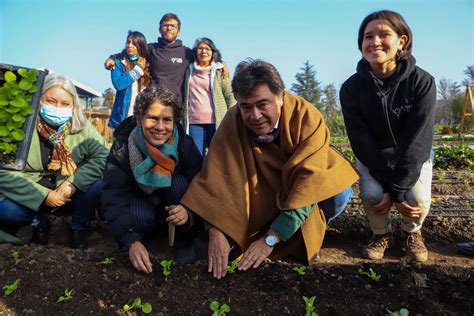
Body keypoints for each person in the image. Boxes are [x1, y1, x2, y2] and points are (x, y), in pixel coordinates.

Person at [180, 60, 358, 279]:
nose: (255, 116)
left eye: (262, 104)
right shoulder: (232, 122)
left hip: (298, 190)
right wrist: (216, 232)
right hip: (261, 196)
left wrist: (269, 240)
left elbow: (308, 186)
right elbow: (215, 179)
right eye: (246, 107)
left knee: (337, 191)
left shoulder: (306, 117)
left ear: (280, 97)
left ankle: (310, 228)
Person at [340, 10, 436, 263]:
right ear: (361, 44)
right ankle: (381, 234)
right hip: (375, 155)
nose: (375, 42)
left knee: (417, 199)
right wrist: (387, 187)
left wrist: (399, 190)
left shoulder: (421, 82)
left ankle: (411, 233)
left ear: (402, 41)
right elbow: (361, 140)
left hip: (412, 154)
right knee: (372, 194)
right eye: (367, 36)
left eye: (384, 35)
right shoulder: (351, 89)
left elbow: (418, 140)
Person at [101, 85, 203, 274]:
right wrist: (130, 240)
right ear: (139, 119)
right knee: (138, 217)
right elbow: (113, 195)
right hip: (142, 203)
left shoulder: (183, 144)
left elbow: (201, 182)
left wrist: (189, 210)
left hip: (173, 203)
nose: (160, 127)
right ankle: (146, 241)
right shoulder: (123, 146)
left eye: (167, 120)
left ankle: (183, 240)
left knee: (180, 184)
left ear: (174, 121)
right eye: (152, 119)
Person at [0, 73, 108, 249]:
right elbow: (3, 171)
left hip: (66, 191)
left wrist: (73, 184)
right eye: (50, 101)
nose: (58, 108)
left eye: (65, 104)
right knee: (6, 210)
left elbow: (104, 156)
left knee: (97, 185)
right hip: (30, 189)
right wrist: (44, 196)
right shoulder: (21, 125)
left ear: (73, 105)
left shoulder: (81, 127)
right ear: (39, 99)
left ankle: (77, 226)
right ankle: (39, 222)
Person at [105, 13, 193, 105]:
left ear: (179, 31)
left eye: (173, 26)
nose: (169, 28)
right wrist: (111, 58)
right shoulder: (151, 49)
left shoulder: (186, 53)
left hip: (176, 106)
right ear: (160, 29)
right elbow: (130, 52)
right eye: (165, 25)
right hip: (153, 104)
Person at [182, 37, 235, 155]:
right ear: (195, 51)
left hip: (216, 120)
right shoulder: (188, 70)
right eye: (200, 48)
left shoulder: (219, 70)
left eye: (207, 49)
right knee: (196, 156)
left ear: (213, 52)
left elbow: (229, 95)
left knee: (218, 155)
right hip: (194, 122)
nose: (204, 51)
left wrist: (232, 116)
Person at [109, 31, 151, 129]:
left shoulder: (148, 63)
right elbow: (119, 84)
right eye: (128, 42)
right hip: (123, 117)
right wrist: (137, 70)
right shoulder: (118, 63)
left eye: (134, 43)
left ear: (140, 46)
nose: (129, 45)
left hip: (142, 118)